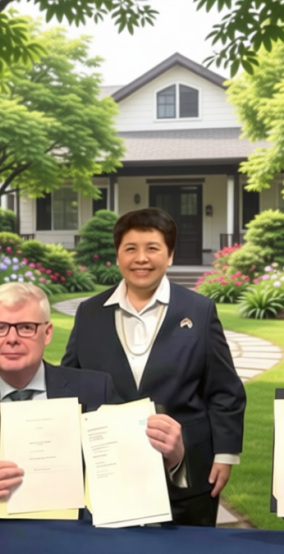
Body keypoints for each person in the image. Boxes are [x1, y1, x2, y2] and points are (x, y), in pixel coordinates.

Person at [0, 281, 187, 517]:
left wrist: (173, 459)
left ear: (47, 333)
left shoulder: (96, 390)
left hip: (80, 540)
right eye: (0, 328)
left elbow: (137, 473)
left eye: (26, 328)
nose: (12, 339)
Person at [62, 208, 247, 526]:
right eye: (130, 249)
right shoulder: (89, 313)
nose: (141, 258)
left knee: (185, 553)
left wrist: (225, 454)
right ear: (118, 256)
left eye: (152, 248)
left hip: (186, 471)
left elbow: (224, 389)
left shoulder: (199, 311)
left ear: (170, 255)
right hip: (110, 474)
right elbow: (70, 385)